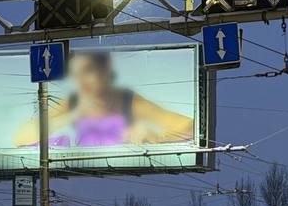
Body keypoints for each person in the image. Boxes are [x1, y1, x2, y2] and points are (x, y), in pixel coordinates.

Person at [13, 51, 195, 148]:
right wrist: (68, 118)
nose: (82, 80)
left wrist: (155, 136)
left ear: (105, 71)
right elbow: (21, 138)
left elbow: (190, 127)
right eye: (76, 74)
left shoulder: (127, 101)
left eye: (88, 71)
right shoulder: (73, 102)